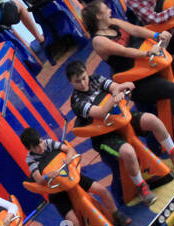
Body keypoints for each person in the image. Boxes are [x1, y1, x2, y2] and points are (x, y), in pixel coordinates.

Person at [81, 0, 174, 141]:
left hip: (149, 64)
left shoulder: (113, 23)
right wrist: (147, 53)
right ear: (98, 16)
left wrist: (156, 35)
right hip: (136, 79)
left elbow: (135, 29)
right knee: (173, 89)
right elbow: (124, 51)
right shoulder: (98, 41)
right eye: (105, 9)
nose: (109, 10)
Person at [19, 126, 131, 226]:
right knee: (74, 223)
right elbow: (39, 179)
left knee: (102, 190)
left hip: (71, 177)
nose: (40, 148)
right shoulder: (30, 159)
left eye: (39, 143)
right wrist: (49, 176)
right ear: (29, 149)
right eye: (35, 147)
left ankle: (116, 214)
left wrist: (69, 158)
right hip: (57, 191)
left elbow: (69, 149)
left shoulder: (48, 143)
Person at [65, 61, 164, 202]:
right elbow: (100, 112)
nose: (83, 83)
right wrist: (113, 98)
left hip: (121, 121)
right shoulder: (77, 102)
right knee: (128, 152)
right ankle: (141, 187)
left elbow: (115, 87)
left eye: (84, 78)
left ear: (87, 73)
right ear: (71, 82)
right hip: (104, 137)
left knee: (152, 120)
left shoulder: (96, 79)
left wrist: (123, 86)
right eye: (77, 81)